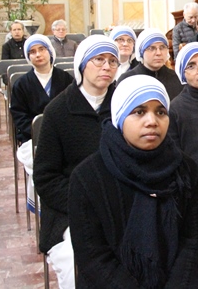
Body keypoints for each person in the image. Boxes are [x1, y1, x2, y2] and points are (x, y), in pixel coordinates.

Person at [69, 75, 198, 288]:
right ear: (120, 116)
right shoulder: (88, 176)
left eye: (160, 112)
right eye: (139, 112)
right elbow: (93, 257)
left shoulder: (186, 170)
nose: (152, 121)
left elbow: (193, 241)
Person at [33, 35, 119, 289]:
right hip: (71, 211)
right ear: (82, 64)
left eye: (112, 61)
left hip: (122, 205)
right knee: (77, 263)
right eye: (99, 59)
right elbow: (46, 177)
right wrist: (85, 203)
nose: (106, 66)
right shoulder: (57, 111)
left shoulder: (123, 106)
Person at [11, 34, 74, 217]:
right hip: (33, 139)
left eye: (41, 49)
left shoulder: (66, 79)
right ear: (28, 57)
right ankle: (44, 208)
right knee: (41, 164)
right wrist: (38, 134)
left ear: (50, 52)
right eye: (32, 52)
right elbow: (19, 116)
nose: (38, 54)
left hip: (64, 137)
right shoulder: (22, 84)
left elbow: (72, 109)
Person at [117, 28, 183, 100]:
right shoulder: (127, 80)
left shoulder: (176, 78)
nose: (158, 53)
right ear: (141, 52)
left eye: (162, 47)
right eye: (151, 48)